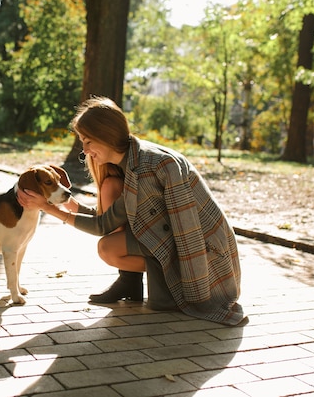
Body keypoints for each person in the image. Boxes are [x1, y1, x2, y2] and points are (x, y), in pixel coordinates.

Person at [18, 96, 244, 326]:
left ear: (104, 136)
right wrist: (66, 203)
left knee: (107, 247)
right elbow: (106, 218)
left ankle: (168, 279)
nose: (84, 151)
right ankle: (133, 282)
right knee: (109, 191)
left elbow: (102, 226)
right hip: (177, 240)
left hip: (207, 255)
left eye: (87, 142)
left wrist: (46, 208)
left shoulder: (148, 168)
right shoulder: (133, 161)